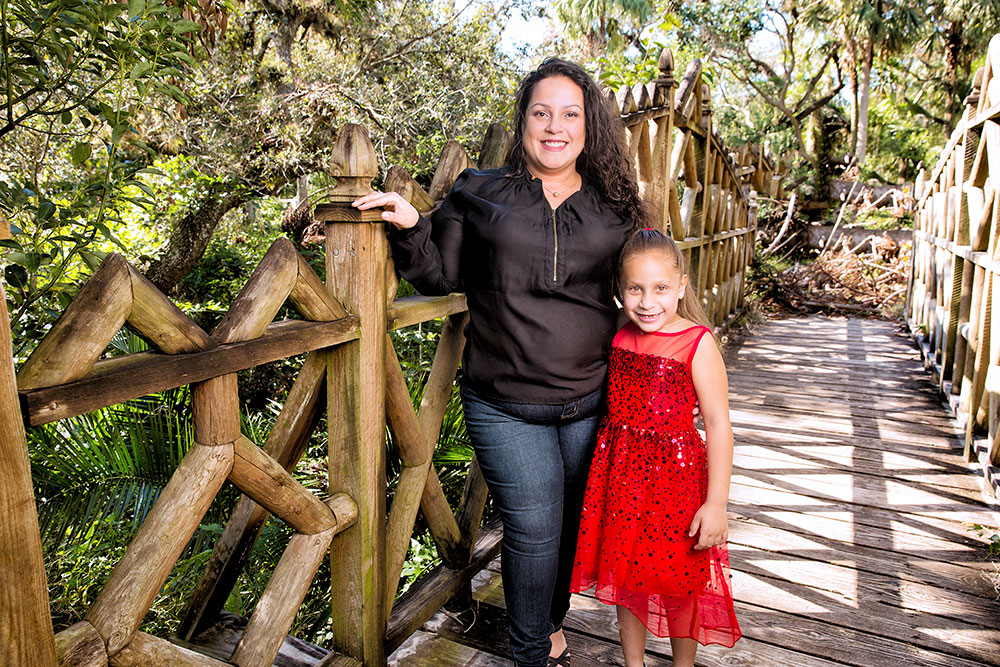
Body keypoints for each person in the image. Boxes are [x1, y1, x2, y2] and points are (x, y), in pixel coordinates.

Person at [352, 58, 645, 667]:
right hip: (505, 402)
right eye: (542, 113)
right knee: (534, 529)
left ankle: (551, 621)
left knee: (564, 525)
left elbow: (650, 288)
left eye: (570, 114)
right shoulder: (480, 192)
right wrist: (410, 224)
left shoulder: (615, 204)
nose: (555, 127)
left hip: (592, 400)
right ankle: (531, 652)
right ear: (523, 121)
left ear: (589, 126)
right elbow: (438, 271)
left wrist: (685, 361)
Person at [569, 229, 742, 667]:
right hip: (622, 480)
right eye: (635, 289)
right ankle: (634, 664)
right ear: (620, 289)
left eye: (661, 288)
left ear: (681, 286)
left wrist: (716, 503)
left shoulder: (696, 343)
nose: (648, 302)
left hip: (676, 484)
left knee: (680, 579)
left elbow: (719, 425)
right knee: (627, 576)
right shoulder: (618, 336)